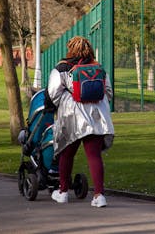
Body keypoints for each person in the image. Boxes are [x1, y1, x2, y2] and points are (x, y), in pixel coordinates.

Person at [44, 36, 114, 207]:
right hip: (97, 117)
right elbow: (109, 92)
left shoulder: (61, 68)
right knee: (94, 156)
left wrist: (62, 104)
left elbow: (53, 93)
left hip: (72, 117)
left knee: (66, 154)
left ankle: (63, 192)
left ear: (70, 49)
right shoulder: (98, 68)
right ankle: (99, 195)